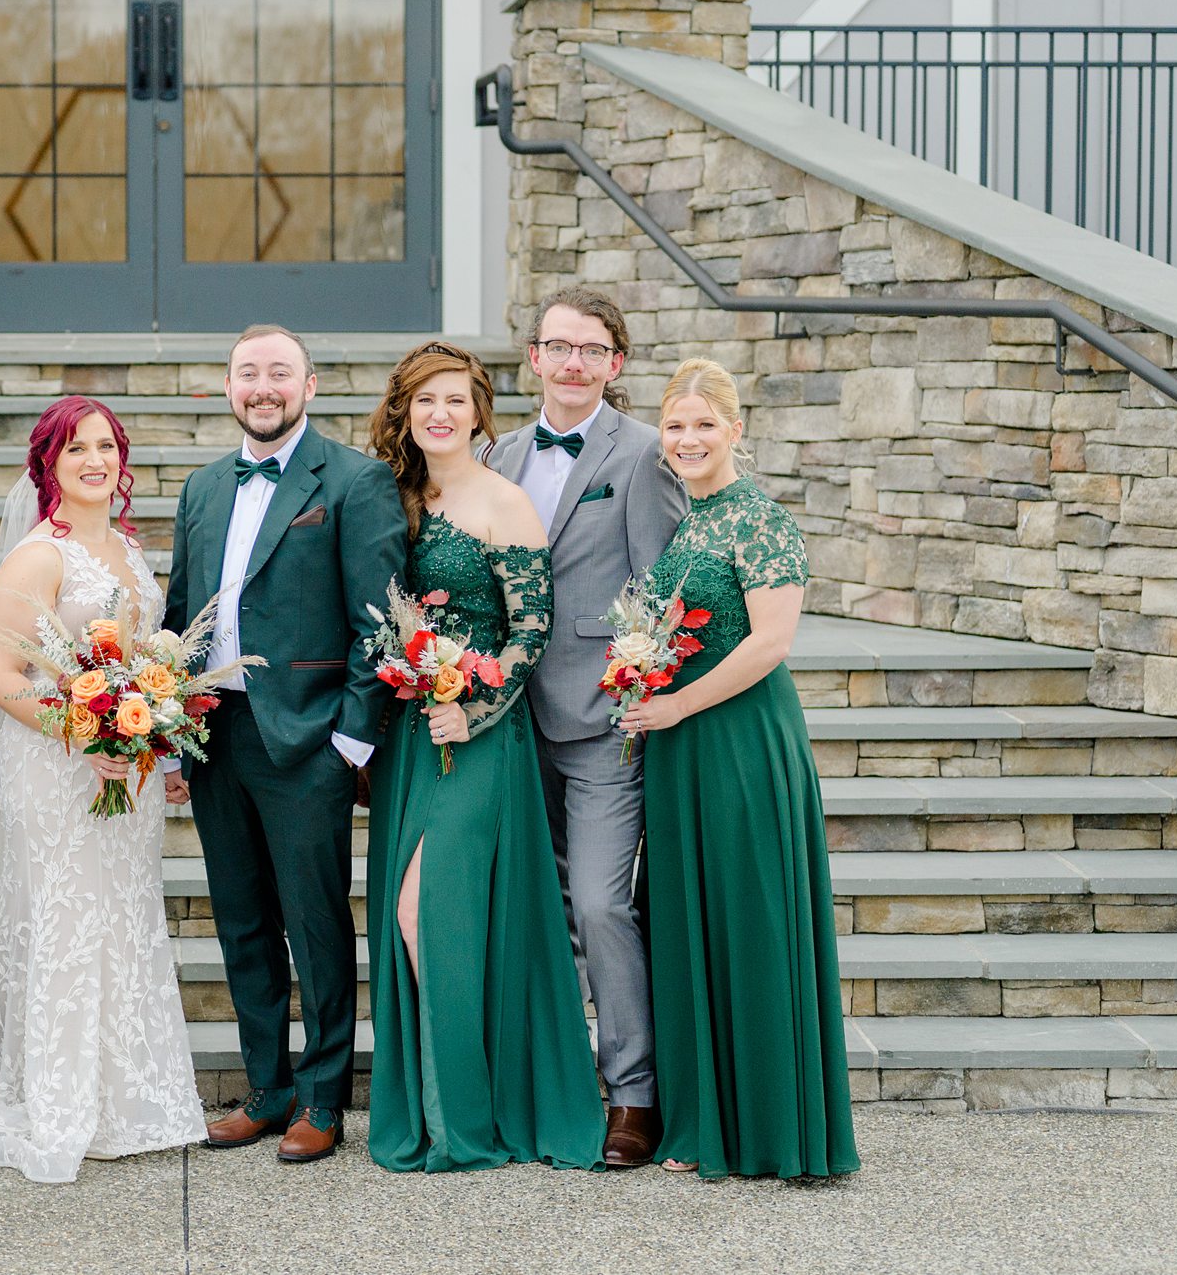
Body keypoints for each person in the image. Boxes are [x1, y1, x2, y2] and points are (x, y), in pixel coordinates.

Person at [0, 397, 205, 1183]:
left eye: (106, 446)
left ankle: (124, 1099)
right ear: (48, 464)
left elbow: (145, 659)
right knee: (64, 920)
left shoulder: (131, 548)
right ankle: (59, 1101)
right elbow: (3, 678)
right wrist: (85, 733)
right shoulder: (40, 554)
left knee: (120, 915)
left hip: (122, 770)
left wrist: (144, 735)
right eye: (76, 449)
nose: (94, 460)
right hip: (53, 765)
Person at [164, 324, 406, 1164]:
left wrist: (350, 737)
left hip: (308, 739)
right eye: (247, 373)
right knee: (241, 920)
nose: (262, 387)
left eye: (279, 373)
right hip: (217, 734)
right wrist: (167, 726)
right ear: (228, 386)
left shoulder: (354, 479)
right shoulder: (201, 486)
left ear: (310, 383)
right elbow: (181, 613)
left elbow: (380, 620)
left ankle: (321, 1096)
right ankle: (265, 1088)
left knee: (314, 922)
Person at [362, 342, 605, 1173]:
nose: (440, 414)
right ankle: (441, 1103)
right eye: (425, 400)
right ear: (406, 410)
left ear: (477, 412)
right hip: (410, 741)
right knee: (411, 920)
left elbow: (530, 631)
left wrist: (473, 706)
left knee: (423, 913)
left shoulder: (505, 504)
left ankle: (465, 1113)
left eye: (455, 401)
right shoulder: (394, 496)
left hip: (477, 738)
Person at [619, 358, 860, 1181]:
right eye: (675, 425)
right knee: (691, 920)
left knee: (748, 920)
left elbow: (771, 643)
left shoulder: (759, 517)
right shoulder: (692, 521)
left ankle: (766, 1125)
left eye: (703, 425)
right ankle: (704, 1118)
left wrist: (679, 707)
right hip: (682, 749)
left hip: (741, 743)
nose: (687, 439)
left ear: (736, 430)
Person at [482, 287, 683, 1167]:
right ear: (533, 358)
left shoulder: (642, 454)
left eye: (590, 350)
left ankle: (633, 1093)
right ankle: (557, 1084)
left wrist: (642, 690)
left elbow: (666, 588)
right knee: (539, 909)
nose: (572, 363)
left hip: (604, 721)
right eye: (558, 347)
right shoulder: (497, 452)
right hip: (509, 722)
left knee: (601, 902)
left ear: (616, 364)